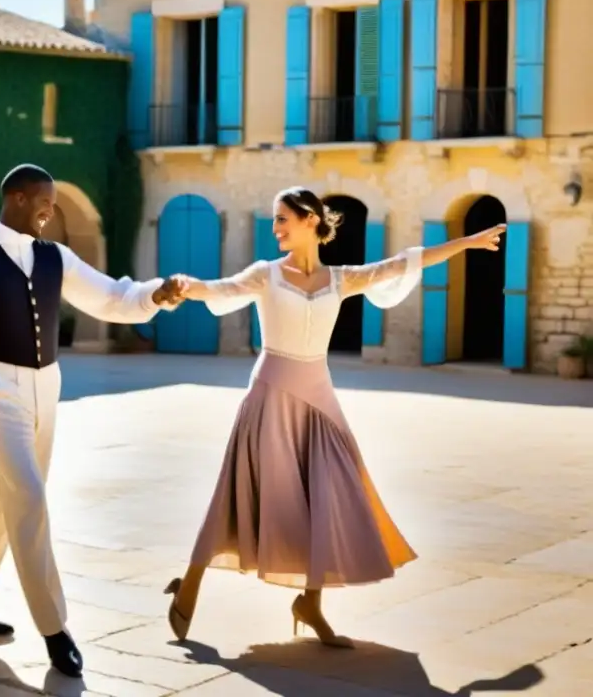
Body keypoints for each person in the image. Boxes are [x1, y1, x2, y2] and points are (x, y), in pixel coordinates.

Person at [162, 186, 505, 648]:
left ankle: (311, 603)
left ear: (309, 220)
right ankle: (191, 584)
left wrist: (464, 243)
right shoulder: (266, 274)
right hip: (269, 397)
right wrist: (186, 285)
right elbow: (221, 290)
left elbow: (405, 262)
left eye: (282, 219)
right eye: (274, 220)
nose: (275, 228)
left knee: (328, 495)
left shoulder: (340, 279)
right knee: (238, 496)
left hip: (320, 400)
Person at [0, 164, 186, 677]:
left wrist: (152, 295)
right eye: (45, 200)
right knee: (27, 493)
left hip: (48, 386)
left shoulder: (57, 258)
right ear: (19, 198)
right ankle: (55, 628)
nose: (53, 209)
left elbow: (110, 296)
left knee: (0, 493)